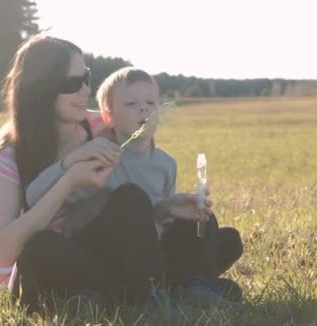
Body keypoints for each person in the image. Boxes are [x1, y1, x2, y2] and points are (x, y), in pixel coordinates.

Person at [0, 35, 172, 313]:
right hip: (50, 262)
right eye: (72, 83)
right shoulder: (11, 152)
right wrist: (68, 179)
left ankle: (103, 295)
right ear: (41, 88)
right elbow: (6, 249)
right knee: (41, 246)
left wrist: (168, 207)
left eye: (86, 77)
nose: (84, 91)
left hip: (104, 251)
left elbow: (144, 180)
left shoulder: (103, 124)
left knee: (131, 198)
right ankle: (124, 293)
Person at [25, 67, 244, 306]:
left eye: (151, 102)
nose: (144, 108)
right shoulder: (101, 157)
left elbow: (158, 228)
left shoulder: (165, 164)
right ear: (109, 117)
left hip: (152, 255)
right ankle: (156, 292)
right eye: (131, 103)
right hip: (111, 256)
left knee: (215, 229)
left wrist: (169, 208)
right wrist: (71, 164)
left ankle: (193, 287)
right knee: (130, 196)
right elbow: (33, 197)